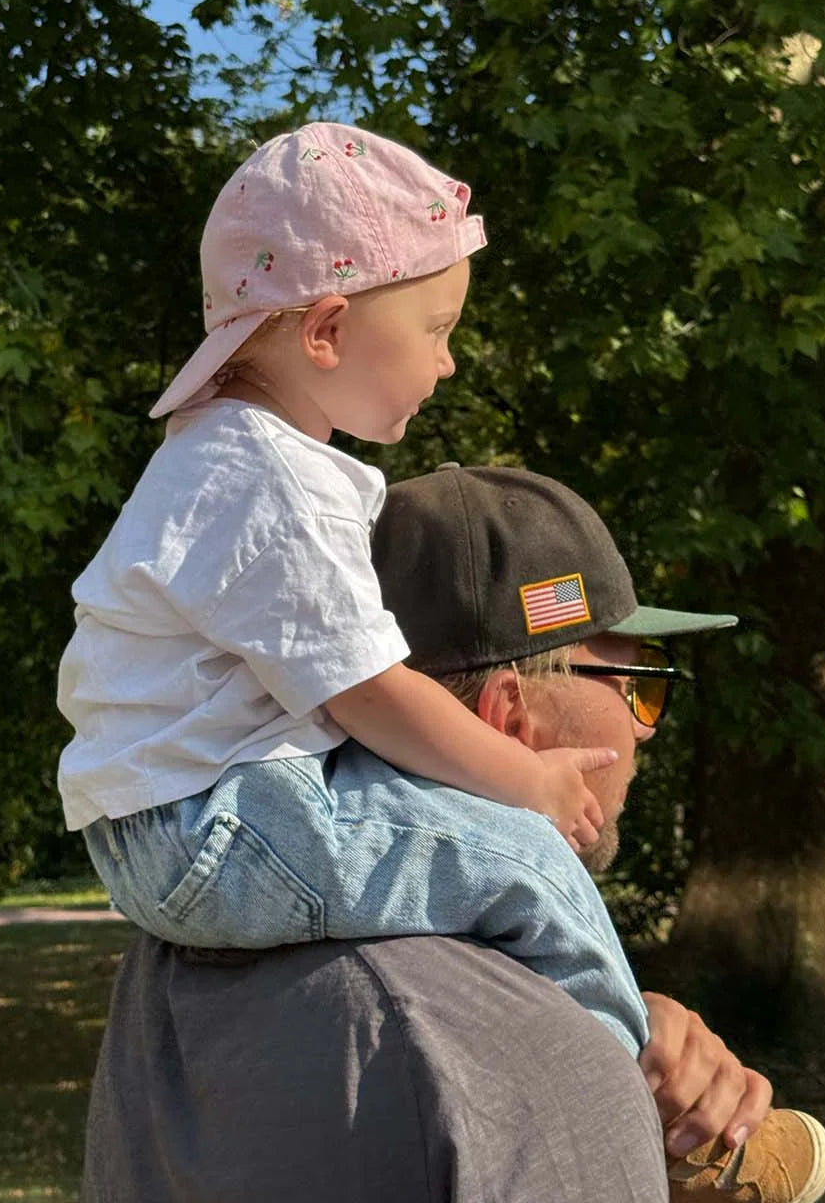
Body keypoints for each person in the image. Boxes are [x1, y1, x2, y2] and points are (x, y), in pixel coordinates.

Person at [57, 121, 651, 1058]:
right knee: (523, 857)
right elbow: (368, 689)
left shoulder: (235, 460)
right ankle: (629, 1091)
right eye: (436, 331)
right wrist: (527, 780)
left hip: (197, 814)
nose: (448, 362)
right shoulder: (268, 481)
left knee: (461, 825)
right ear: (328, 332)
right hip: (212, 825)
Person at [81, 465, 825, 1203]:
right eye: (641, 689)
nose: (648, 734)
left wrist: (631, 1032)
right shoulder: (504, 1054)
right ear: (511, 716)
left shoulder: (174, 960)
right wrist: (600, 1071)